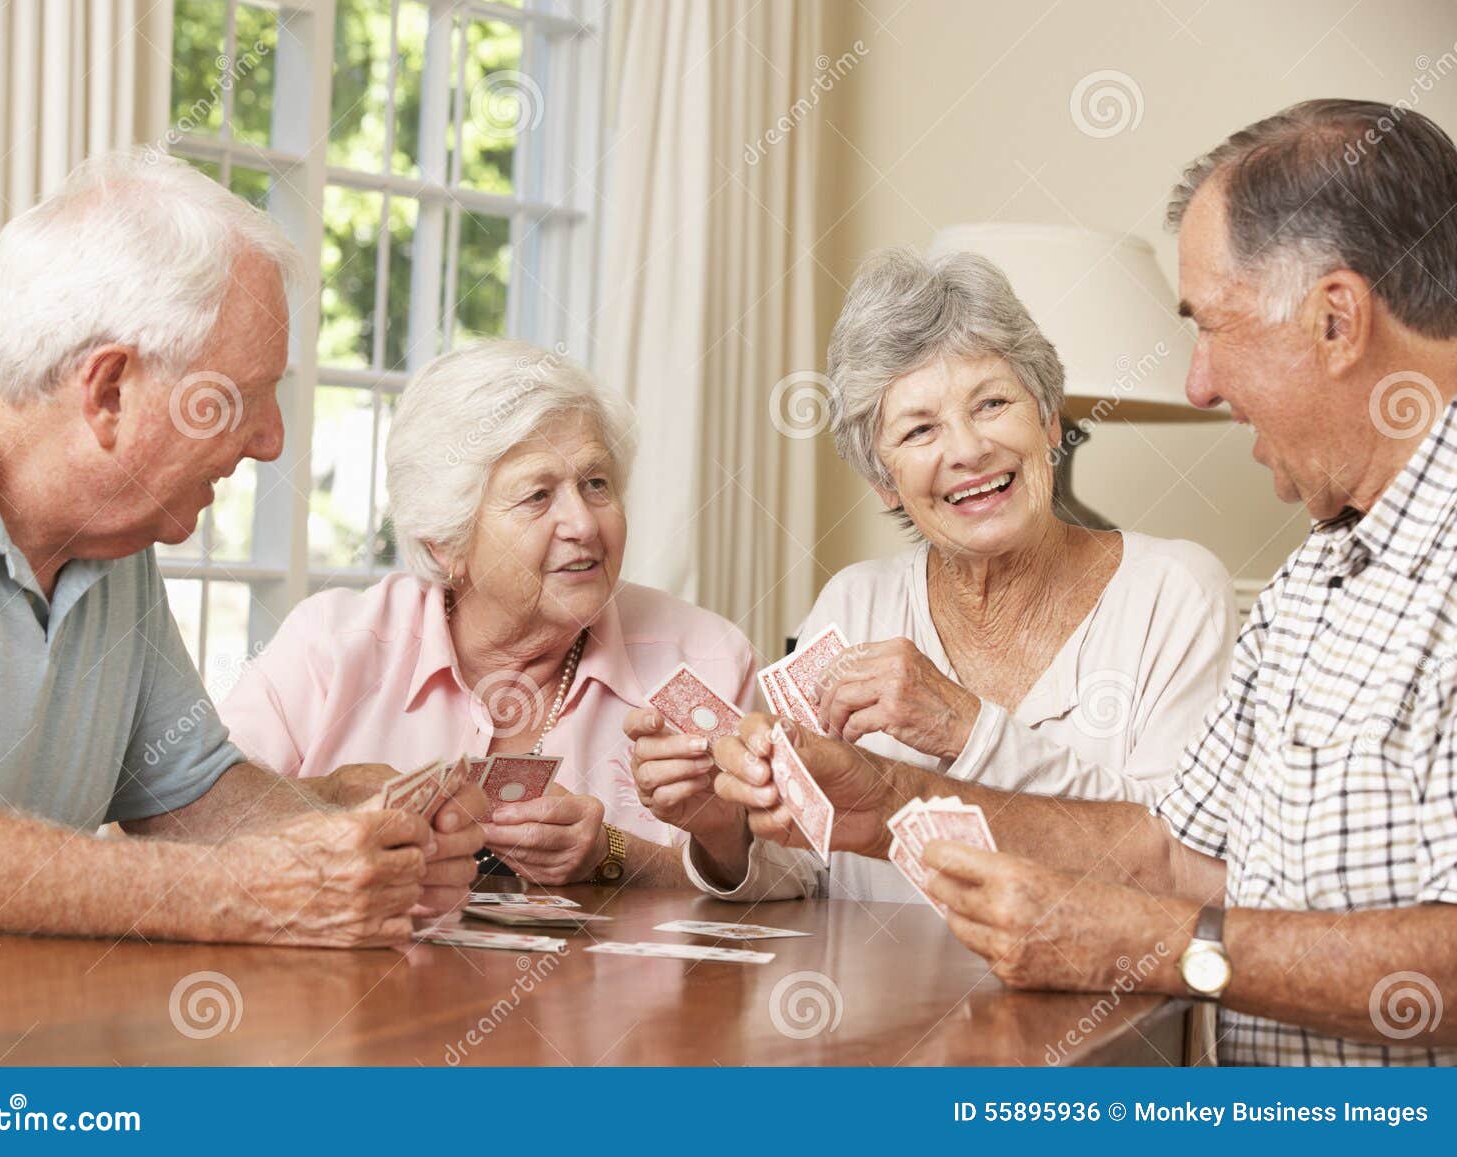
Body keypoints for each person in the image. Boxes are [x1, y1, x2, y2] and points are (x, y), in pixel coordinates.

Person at [713, 99, 1457, 1065]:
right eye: (920, 428)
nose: (1196, 383)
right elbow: (1175, 853)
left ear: (1335, 319)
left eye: (1212, 327)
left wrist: (1145, 942)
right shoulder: (1316, 578)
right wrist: (887, 801)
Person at [0, 151, 484, 948]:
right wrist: (239, 893)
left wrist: (350, 830)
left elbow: (187, 801)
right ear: (110, 390)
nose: (270, 440)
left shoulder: (111, 537)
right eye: (244, 397)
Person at [631, 249, 1234, 903]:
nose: (968, 449)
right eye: (920, 429)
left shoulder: (1173, 592)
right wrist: (723, 829)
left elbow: (1180, 862)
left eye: (993, 402)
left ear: (1050, 419)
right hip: (879, 1005)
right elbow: (803, 869)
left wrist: (966, 725)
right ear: (883, 482)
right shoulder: (855, 602)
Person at [219, 340, 758, 887]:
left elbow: (796, 887)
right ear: (444, 544)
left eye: (596, 484)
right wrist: (335, 811)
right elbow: (188, 824)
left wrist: (612, 853)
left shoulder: (704, 657)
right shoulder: (331, 648)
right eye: (538, 496)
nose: (584, 524)